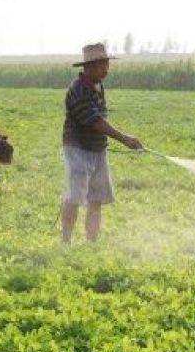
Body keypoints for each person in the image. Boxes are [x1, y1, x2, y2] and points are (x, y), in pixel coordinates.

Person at [60, 43, 144, 244]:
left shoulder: (97, 85)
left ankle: (92, 244)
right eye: (101, 65)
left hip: (98, 150)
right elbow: (96, 121)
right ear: (88, 67)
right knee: (74, 196)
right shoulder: (78, 90)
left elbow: (99, 120)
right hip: (77, 149)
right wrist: (125, 139)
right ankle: (65, 242)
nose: (106, 69)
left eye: (107, 64)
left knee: (96, 199)